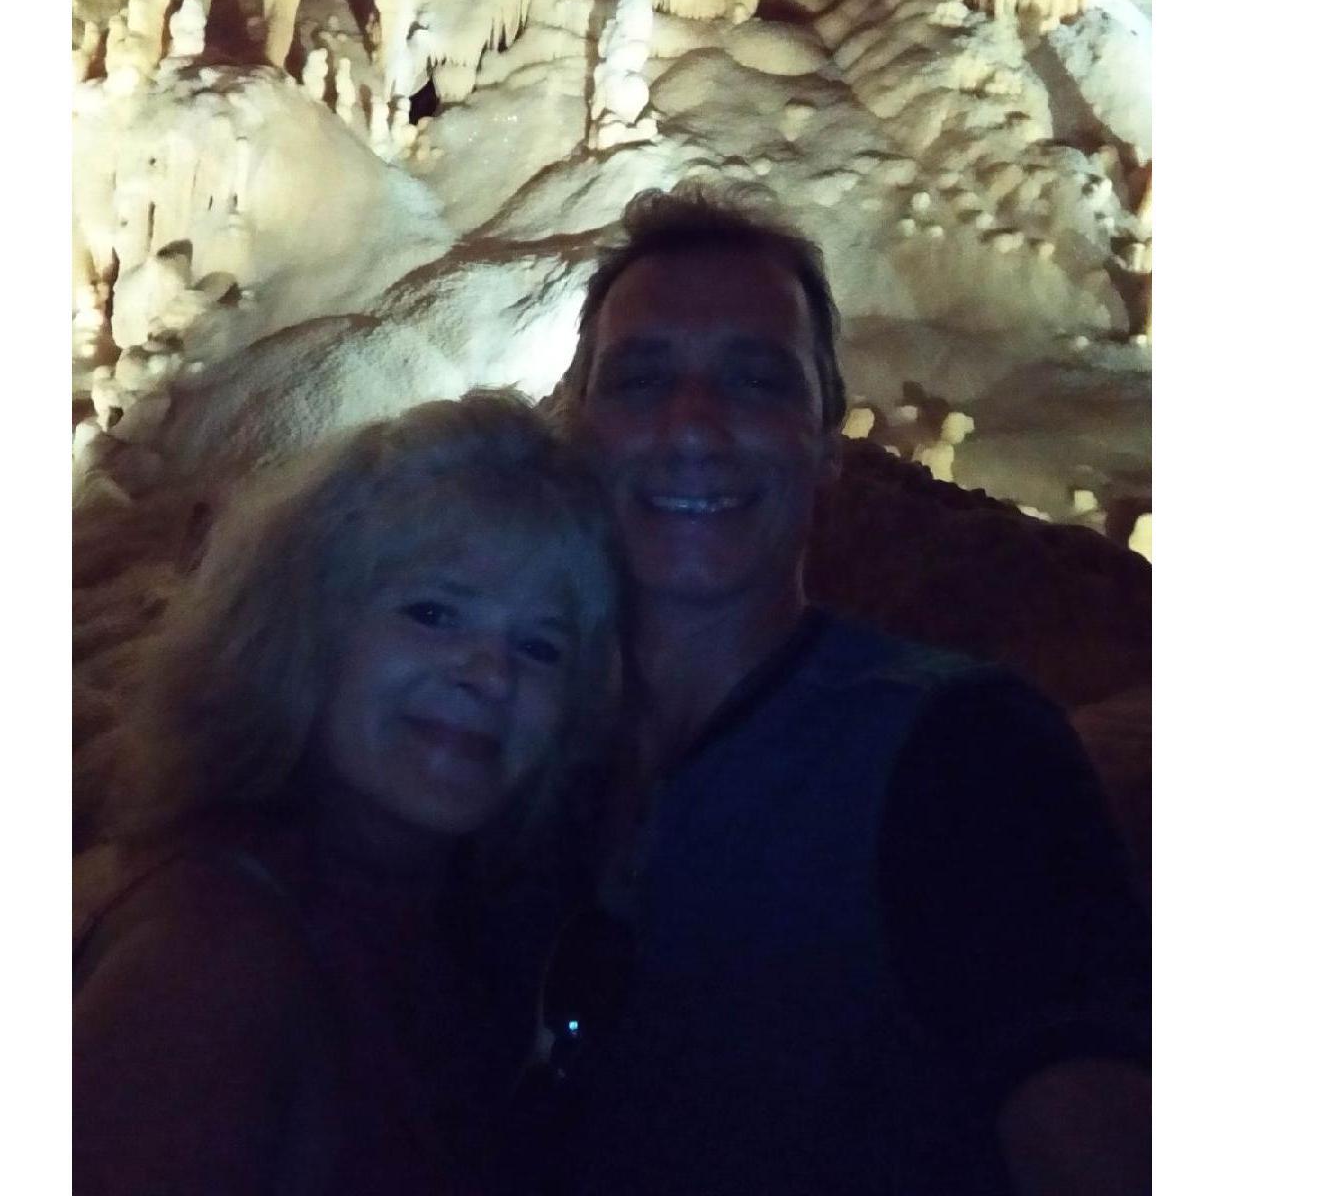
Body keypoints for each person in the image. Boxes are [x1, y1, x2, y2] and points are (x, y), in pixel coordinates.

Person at [538, 186, 1152, 1196]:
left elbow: (1078, 1093)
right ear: (577, 433)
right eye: (642, 379)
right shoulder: (493, 748)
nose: (694, 423)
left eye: (756, 380)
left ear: (828, 444)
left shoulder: (968, 758)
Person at [73, 391, 622, 1196]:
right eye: (434, 612)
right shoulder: (211, 968)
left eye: (541, 647)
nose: (490, 673)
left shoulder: (446, 917)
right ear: (306, 628)